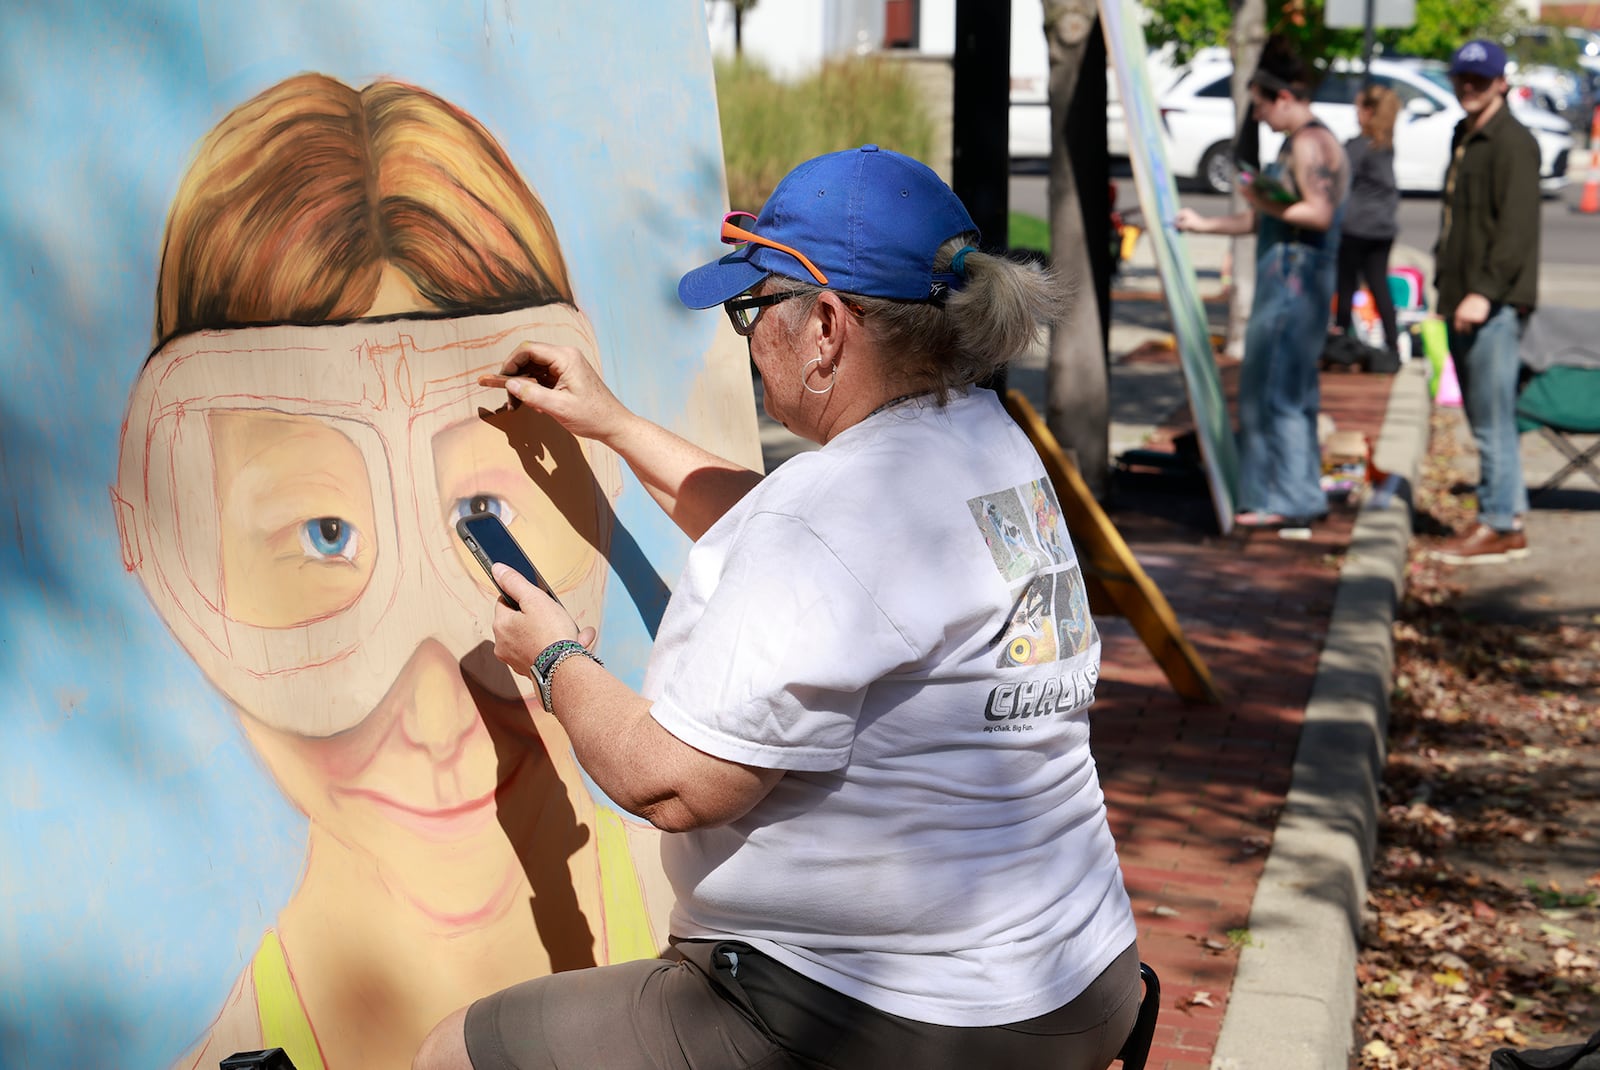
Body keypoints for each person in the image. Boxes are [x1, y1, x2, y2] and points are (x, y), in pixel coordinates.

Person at [414, 144, 1142, 1070]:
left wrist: (554, 656)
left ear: (827, 327)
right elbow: (785, 534)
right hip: (1071, 978)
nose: (748, 339)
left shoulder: (833, 511)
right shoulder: (975, 438)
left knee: (453, 1053)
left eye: (750, 310)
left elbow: (673, 784)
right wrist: (611, 421)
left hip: (899, 1010)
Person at [113, 73, 673, 1070]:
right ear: (177, 556)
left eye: (484, 518)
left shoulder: (726, 933)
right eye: (323, 533)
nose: (431, 710)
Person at [1175, 37, 1350, 530]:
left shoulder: (1312, 144)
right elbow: (1267, 221)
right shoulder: (1304, 143)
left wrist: (1260, 196)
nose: (1259, 116)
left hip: (1295, 288)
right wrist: (1205, 224)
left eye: (1260, 105)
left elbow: (1317, 213)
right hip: (1292, 285)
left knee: (1273, 394)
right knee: (1286, 390)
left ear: (1283, 98)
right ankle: (1290, 492)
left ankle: (1287, 498)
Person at [1427, 39, 1540, 565]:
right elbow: (1455, 223)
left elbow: (1515, 231)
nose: (1467, 88)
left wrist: (1484, 292)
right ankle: (1505, 515)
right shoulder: (1463, 134)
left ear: (1501, 82)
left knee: (1493, 419)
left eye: (1478, 79)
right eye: (1461, 78)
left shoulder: (1513, 143)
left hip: (1489, 304)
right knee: (1480, 416)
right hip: (1459, 298)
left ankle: (1499, 522)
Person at [1334, 85, 1402, 357]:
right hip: (1382, 228)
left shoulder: (1358, 147)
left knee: (1345, 284)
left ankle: (1339, 335)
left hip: (1356, 227)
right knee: (1379, 285)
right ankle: (1393, 343)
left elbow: (1336, 176)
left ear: (1368, 112)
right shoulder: (1385, 146)